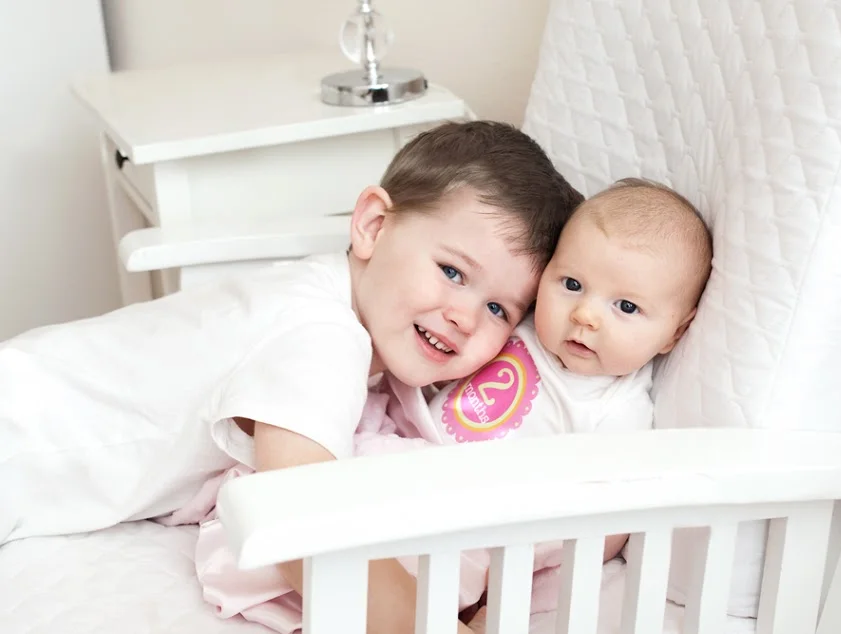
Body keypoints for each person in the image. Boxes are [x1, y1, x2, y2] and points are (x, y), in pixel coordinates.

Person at [0, 120, 583, 634]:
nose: (465, 317)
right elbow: (303, 523)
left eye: (499, 309)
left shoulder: (330, 302)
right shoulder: (320, 334)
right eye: (452, 271)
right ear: (373, 225)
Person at [188, 177, 713, 632]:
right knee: (328, 467)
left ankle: (342, 592)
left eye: (626, 307)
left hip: (469, 515)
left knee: (421, 560)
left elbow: (600, 530)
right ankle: (280, 537)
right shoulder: (517, 326)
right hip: (402, 445)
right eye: (572, 284)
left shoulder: (619, 410)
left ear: (674, 332)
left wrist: (513, 591)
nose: (586, 316)